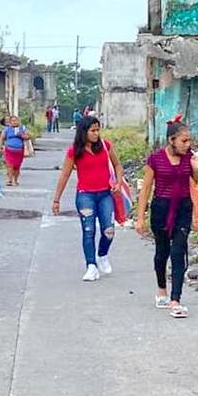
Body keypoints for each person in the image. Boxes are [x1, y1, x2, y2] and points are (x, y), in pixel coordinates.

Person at [135, 115, 198, 318]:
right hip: (161, 209)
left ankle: (176, 299)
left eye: (189, 140)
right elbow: (146, 189)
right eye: (184, 141)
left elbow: (196, 183)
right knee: (162, 252)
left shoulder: (190, 158)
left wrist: (196, 169)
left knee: (178, 251)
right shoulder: (155, 159)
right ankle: (162, 289)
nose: (187, 144)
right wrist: (140, 218)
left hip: (183, 208)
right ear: (171, 140)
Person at [51, 115, 126, 281]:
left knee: (109, 230)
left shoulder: (105, 146)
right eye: (93, 130)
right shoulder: (74, 151)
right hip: (85, 196)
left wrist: (118, 182)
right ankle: (91, 265)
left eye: (98, 130)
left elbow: (117, 165)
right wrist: (56, 199)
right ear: (84, 132)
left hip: (105, 194)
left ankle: (102, 255)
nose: (96, 134)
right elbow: (64, 175)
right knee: (88, 230)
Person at [0, 115, 30, 186]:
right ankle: (10, 180)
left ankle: (15, 180)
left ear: (18, 121)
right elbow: (2, 138)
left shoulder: (23, 128)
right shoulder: (7, 129)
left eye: (15, 120)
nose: (14, 122)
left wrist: (21, 135)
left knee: (17, 166)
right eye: (12, 121)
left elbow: (28, 137)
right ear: (10, 122)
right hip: (9, 149)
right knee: (9, 165)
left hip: (19, 150)